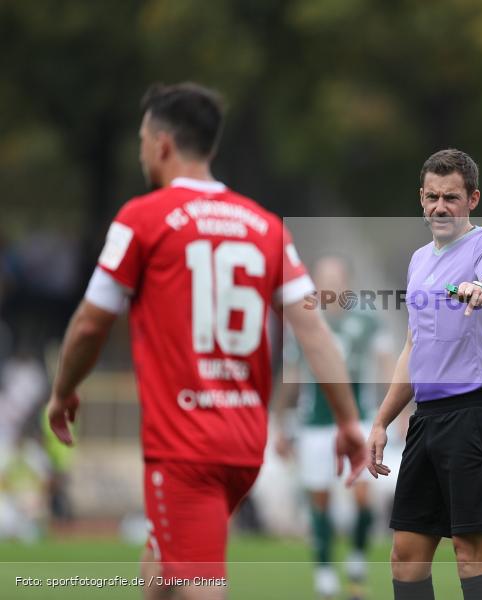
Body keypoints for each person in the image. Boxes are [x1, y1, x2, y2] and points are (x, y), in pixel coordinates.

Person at [45, 82, 367, 600]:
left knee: (198, 585)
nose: (142, 149)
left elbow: (89, 322)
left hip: (185, 445)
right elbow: (313, 330)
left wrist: (63, 391)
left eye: (142, 139)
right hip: (242, 443)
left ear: (163, 144)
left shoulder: (142, 219)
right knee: (162, 560)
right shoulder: (265, 227)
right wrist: (349, 420)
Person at [365, 149, 482, 600]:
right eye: (432, 197)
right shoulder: (419, 261)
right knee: (406, 555)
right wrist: (381, 421)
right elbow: (414, 347)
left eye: (451, 197)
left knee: (470, 555)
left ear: (472, 198)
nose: (439, 207)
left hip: (474, 416)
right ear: (421, 198)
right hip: (425, 421)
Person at [272, 254, 394, 600]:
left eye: (335, 278)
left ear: (348, 282)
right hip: (315, 423)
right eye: (323, 278)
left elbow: (387, 365)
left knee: (362, 496)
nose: (329, 284)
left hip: (359, 419)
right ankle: (325, 576)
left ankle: (356, 559)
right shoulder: (306, 319)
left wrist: (394, 413)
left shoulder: (368, 318)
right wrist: (280, 423)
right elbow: (292, 376)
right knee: (320, 498)